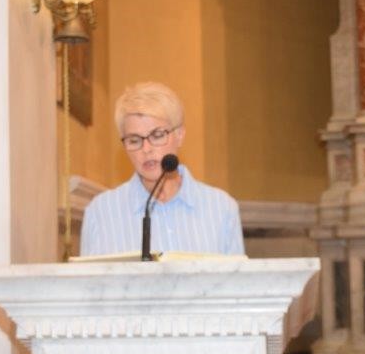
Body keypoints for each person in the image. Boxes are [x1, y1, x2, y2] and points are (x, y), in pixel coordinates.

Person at [80, 81, 244, 257]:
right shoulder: (100, 213)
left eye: (157, 136)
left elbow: (237, 276)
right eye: (134, 140)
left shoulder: (221, 208)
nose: (146, 149)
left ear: (179, 135)